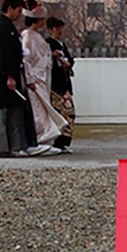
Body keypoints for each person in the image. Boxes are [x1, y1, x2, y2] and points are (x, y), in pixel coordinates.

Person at [0, 0, 37, 157]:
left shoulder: (7, 27)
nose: (20, 14)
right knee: (7, 113)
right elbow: (5, 54)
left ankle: (11, 145)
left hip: (10, 75)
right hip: (5, 78)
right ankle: (7, 146)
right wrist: (9, 76)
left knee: (13, 111)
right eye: (18, 10)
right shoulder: (3, 28)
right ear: (10, 9)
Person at [21, 2, 69, 153]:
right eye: (41, 19)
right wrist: (29, 79)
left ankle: (45, 138)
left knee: (43, 110)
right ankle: (37, 139)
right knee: (37, 110)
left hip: (41, 78)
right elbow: (26, 59)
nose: (43, 22)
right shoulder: (27, 36)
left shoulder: (36, 36)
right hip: (35, 78)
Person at [46, 17, 75, 153]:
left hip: (64, 84)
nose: (60, 31)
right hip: (55, 84)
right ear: (51, 29)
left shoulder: (62, 44)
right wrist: (52, 56)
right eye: (57, 28)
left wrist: (68, 63)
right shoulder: (48, 43)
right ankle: (56, 140)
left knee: (68, 113)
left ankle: (64, 141)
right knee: (58, 112)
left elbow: (70, 60)